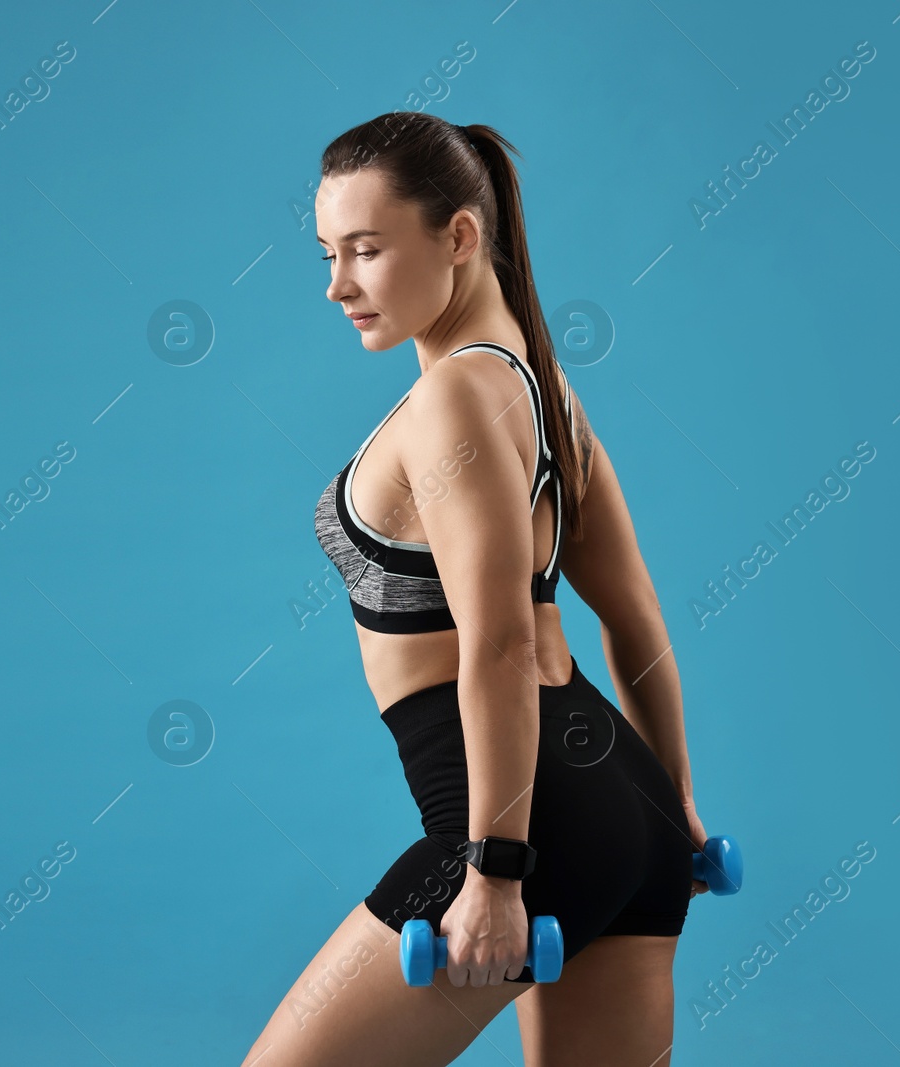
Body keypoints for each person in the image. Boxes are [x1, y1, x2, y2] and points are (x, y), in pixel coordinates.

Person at [241, 112, 708, 1067]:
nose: (337, 286)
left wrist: (495, 870)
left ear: (458, 235)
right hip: (626, 805)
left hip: (526, 829)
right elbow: (636, 621)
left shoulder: (453, 395)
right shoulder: (547, 393)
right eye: (328, 254)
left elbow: (496, 642)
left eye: (366, 251)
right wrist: (678, 810)